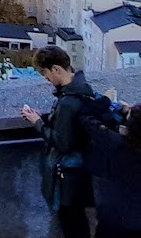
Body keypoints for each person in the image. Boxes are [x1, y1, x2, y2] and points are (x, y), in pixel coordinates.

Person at [19, 46, 96, 238]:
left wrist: (36, 123)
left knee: (73, 225)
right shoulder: (82, 90)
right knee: (77, 223)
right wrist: (46, 118)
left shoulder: (68, 102)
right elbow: (69, 127)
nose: (46, 79)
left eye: (45, 73)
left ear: (56, 69)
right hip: (79, 172)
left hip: (68, 176)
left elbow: (62, 143)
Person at [84, 103, 141, 238]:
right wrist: (131, 113)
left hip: (116, 220)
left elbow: (87, 119)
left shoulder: (118, 146)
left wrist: (104, 102)